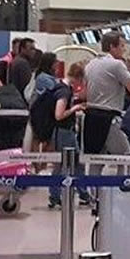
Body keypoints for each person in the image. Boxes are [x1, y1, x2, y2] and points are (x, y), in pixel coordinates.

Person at [83, 32, 130, 164]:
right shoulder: (116, 65)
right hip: (108, 118)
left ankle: (91, 179)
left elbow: (85, 91)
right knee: (126, 158)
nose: (124, 49)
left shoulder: (90, 64)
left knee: (95, 160)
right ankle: (124, 178)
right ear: (112, 46)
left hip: (91, 117)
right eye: (122, 46)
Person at [47, 61, 92, 208]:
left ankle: (58, 195)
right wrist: (75, 108)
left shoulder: (61, 87)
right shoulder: (64, 92)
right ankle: (75, 193)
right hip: (64, 132)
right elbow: (59, 115)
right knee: (69, 164)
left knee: (66, 164)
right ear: (78, 77)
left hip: (62, 132)